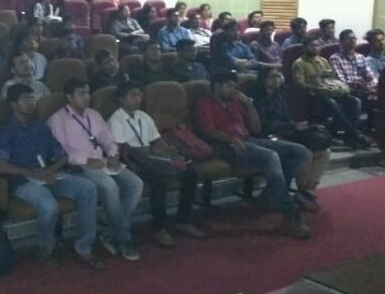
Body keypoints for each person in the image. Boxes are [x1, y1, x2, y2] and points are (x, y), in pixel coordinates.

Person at [0, 84, 102, 269]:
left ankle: (83, 246)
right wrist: (34, 173)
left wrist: (51, 170)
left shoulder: (40, 127)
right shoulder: (6, 132)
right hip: (24, 180)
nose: (30, 102)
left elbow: (62, 155)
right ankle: (46, 248)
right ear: (13, 104)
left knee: (88, 188)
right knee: (49, 206)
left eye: (32, 98)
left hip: (50, 174)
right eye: (25, 99)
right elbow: (2, 166)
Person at [194, 70, 311, 239]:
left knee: (300, 151)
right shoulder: (205, 102)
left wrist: (248, 104)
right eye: (228, 86)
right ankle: (290, 213)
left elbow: (256, 128)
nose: (233, 90)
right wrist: (230, 138)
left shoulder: (235, 102)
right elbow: (207, 130)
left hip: (248, 140)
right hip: (224, 146)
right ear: (216, 86)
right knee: (270, 156)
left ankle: (270, 196)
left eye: (234, 86)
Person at [47, 78, 144, 260]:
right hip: (77, 166)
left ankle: (109, 231)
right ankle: (123, 237)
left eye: (88, 92)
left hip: (103, 162)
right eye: (81, 93)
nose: (87, 97)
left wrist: (113, 155)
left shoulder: (93, 114)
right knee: (110, 187)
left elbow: (107, 139)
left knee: (136, 184)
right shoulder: (57, 119)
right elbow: (60, 151)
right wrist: (85, 161)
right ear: (69, 97)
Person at [109, 81, 204, 247]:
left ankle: (183, 220)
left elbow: (157, 140)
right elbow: (124, 150)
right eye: (133, 95)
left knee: (190, 173)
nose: (138, 99)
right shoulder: (115, 120)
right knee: (160, 179)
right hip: (133, 162)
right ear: (121, 99)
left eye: (139, 95)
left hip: (153, 158)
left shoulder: (143, 116)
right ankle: (159, 227)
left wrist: (169, 150)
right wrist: (153, 151)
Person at [253, 67, 328, 210]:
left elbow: (287, 119)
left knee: (325, 152)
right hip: (268, 136)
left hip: (285, 132)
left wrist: (297, 126)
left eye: (278, 76)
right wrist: (293, 125)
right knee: (305, 153)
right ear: (263, 79)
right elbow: (264, 126)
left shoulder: (279, 97)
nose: (276, 79)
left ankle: (306, 191)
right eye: (272, 76)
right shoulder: (257, 99)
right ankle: (301, 193)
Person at [292, 37, 368, 149]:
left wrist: (332, 80)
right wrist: (316, 87)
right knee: (331, 102)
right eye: (312, 45)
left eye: (317, 45)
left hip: (330, 91)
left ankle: (350, 134)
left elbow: (331, 77)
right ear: (304, 48)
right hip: (313, 95)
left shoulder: (323, 60)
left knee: (355, 101)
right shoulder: (299, 63)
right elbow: (299, 83)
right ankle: (352, 134)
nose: (315, 48)